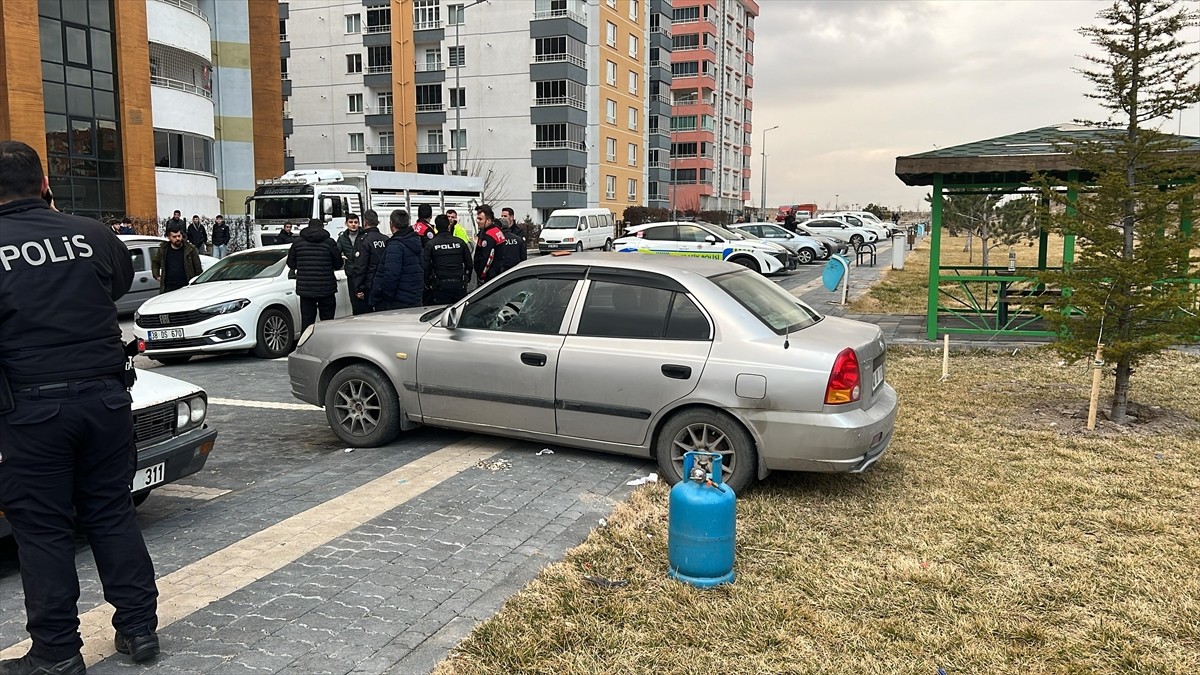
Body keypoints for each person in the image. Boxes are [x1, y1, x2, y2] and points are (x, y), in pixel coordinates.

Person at [0, 140, 159, 675]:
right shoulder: (92, 233)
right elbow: (113, 288)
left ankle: (57, 651)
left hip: (31, 411)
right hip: (106, 400)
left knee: (42, 530)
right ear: (44, 184)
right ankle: (138, 628)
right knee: (111, 512)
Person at [287, 218, 344, 332]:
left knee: (307, 322)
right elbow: (338, 264)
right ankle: (327, 346)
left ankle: (307, 347)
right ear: (322, 227)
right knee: (328, 322)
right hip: (326, 288)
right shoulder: (329, 242)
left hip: (306, 289)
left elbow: (291, 263)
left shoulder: (297, 242)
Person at [371, 210, 424, 310]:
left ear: (392, 224)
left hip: (398, 301)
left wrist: (386, 296)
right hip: (414, 297)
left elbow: (391, 274)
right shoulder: (415, 241)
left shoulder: (395, 245)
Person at [423, 214, 472, 304]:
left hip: (440, 286)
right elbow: (469, 263)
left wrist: (428, 282)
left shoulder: (431, 244)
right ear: (448, 226)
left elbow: (425, 266)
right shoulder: (460, 242)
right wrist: (467, 278)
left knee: (441, 313)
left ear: (436, 227)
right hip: (459, 284)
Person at [349, 209, 388, 314]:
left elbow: (360, 266)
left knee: (365, 317)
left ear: (365, 222)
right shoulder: (385, 239)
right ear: (377, 222)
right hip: (384, 284)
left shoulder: (363, 240)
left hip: (369, 286)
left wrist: (358, 288)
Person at [152, 223, 203, 293]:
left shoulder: (190, 249)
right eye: (174, 237)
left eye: (179, 236)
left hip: (186, 287)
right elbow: (155, 263)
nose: (178, 238)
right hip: (169, 287)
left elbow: (198, 269)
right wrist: (157, 276)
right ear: (169, 237)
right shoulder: (163, 249)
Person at [473, 204, 508, 286]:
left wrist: (481, 277)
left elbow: (487, 259)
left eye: (480, 219)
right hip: (496, 272)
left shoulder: (489, 236)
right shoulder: (496, 230)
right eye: (477, 218)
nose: (477, 221)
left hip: (490, 276)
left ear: (488, 221)